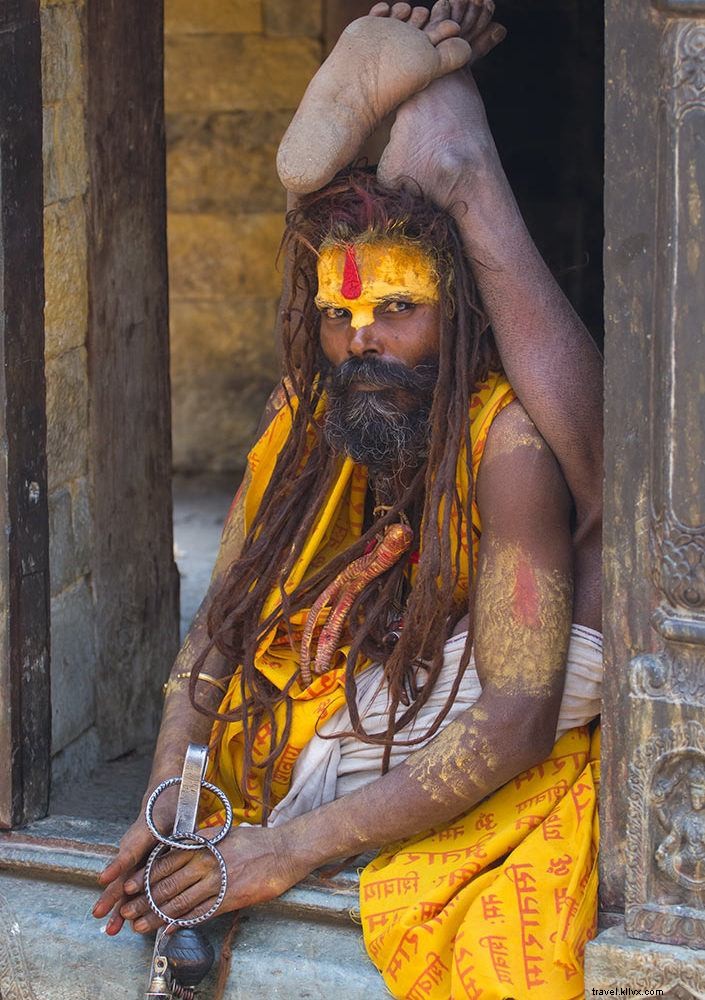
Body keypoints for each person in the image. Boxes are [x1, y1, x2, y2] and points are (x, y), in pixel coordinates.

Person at [93, 2, 604, 997]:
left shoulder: (507, 443)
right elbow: (221, 620)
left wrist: (285, 849)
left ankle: (438, 153)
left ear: (457, 317)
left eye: (397, 308)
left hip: (500, 676)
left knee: (601, 525)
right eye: (338, 313)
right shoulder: (307, 409)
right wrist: (171, 786)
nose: (359, 338)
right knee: (603, 505)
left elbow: (515, 720)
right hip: (353, 690)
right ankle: (436, 138)